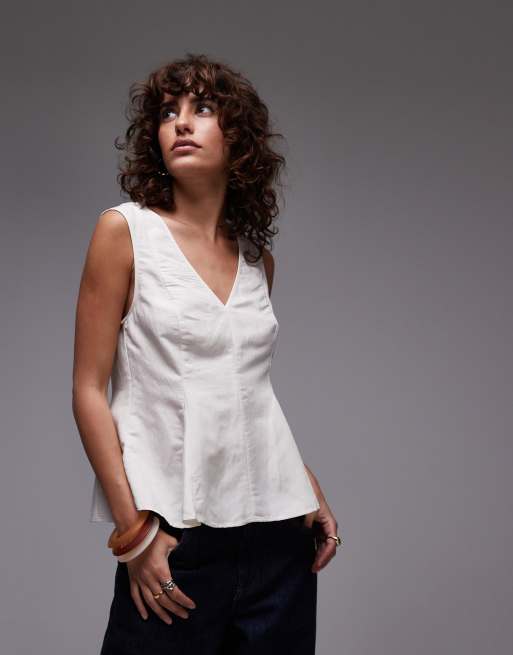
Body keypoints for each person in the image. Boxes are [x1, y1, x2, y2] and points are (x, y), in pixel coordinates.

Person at [72, 52, 342, 655]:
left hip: (279, 542)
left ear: (238, 137)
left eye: (203, 109)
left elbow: (249, 393)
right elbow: (88, 390)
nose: (182, 123)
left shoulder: (257, 261)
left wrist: (306, 486)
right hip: (176, 536)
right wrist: (133, 535)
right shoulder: (124, 233)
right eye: (169, 113)